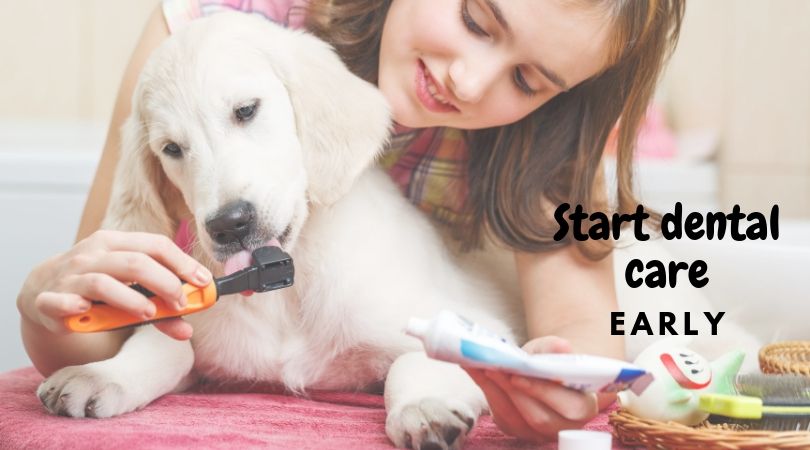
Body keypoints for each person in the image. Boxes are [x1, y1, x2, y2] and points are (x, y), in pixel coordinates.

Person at [16, 0, 684, 442]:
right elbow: (101, 318)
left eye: (530, 80)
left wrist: (564, 386)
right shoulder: (227, 32)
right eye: (477, 20)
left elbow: (585, 338)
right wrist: (42, 300)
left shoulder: (539, 139)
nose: (470, 81)